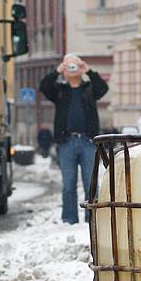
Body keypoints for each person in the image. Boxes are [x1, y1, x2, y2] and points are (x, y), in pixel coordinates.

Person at [39, 54, 108, 224]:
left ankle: (92, 219)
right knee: (68, 185)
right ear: (64, 69)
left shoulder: (89, 89)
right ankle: (69, 219)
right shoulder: (60, 91)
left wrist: (89, 71)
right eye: (68, 66)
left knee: (90, 184)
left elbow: (103, 88)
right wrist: (57, 71)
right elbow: (44, 87)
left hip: (88, 142)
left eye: (74, 65)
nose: (72, 69)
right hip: (66, 143)